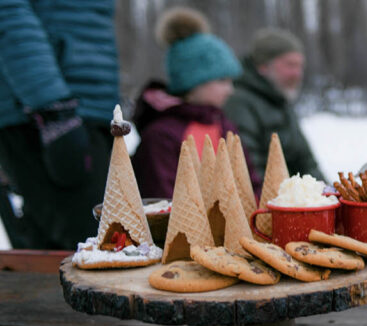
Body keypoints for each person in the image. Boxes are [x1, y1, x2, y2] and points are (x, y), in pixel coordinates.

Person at [0, 0, 119, 249]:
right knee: (96, 251)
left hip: (88, 111)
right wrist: (51, 105)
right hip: (46, 115)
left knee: (100, 249)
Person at [132, 7, 258, 199]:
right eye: (222, 80)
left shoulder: (224, 125)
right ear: (193, 82)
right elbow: (161, 203)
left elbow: (250, 185)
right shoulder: (161, 137)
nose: (230, 90)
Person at [224, 28, 323, 182]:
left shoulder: (281, 100)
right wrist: (289, 201)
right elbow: (249, 171)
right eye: (290, 65)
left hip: (293, 199)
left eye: (299, 66)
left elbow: (306, 162)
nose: (297, 73)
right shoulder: (239, 103)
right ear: (263, 66)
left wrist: (328, 195)